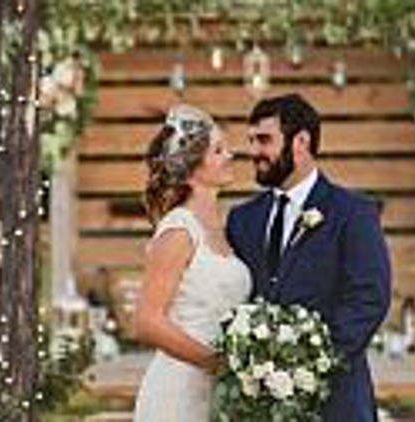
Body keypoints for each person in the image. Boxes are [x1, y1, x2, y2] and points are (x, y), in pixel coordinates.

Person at [227, 93, 391, 422]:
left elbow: (369, 299)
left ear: (300, 142)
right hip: (258, 405)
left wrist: (306, 365)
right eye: (251, 141)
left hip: (337, 400)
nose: (254, 152)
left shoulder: (353, 213)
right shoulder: (242, 219)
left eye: (264, 140)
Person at [133, 104, 251, 421]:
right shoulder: (179, 230)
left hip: (219, 392)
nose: (231, 155)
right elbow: (146, 321)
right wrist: (215, 362)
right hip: (179, 392)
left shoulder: (223, 229)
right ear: (193, 166)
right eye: (218, 150)